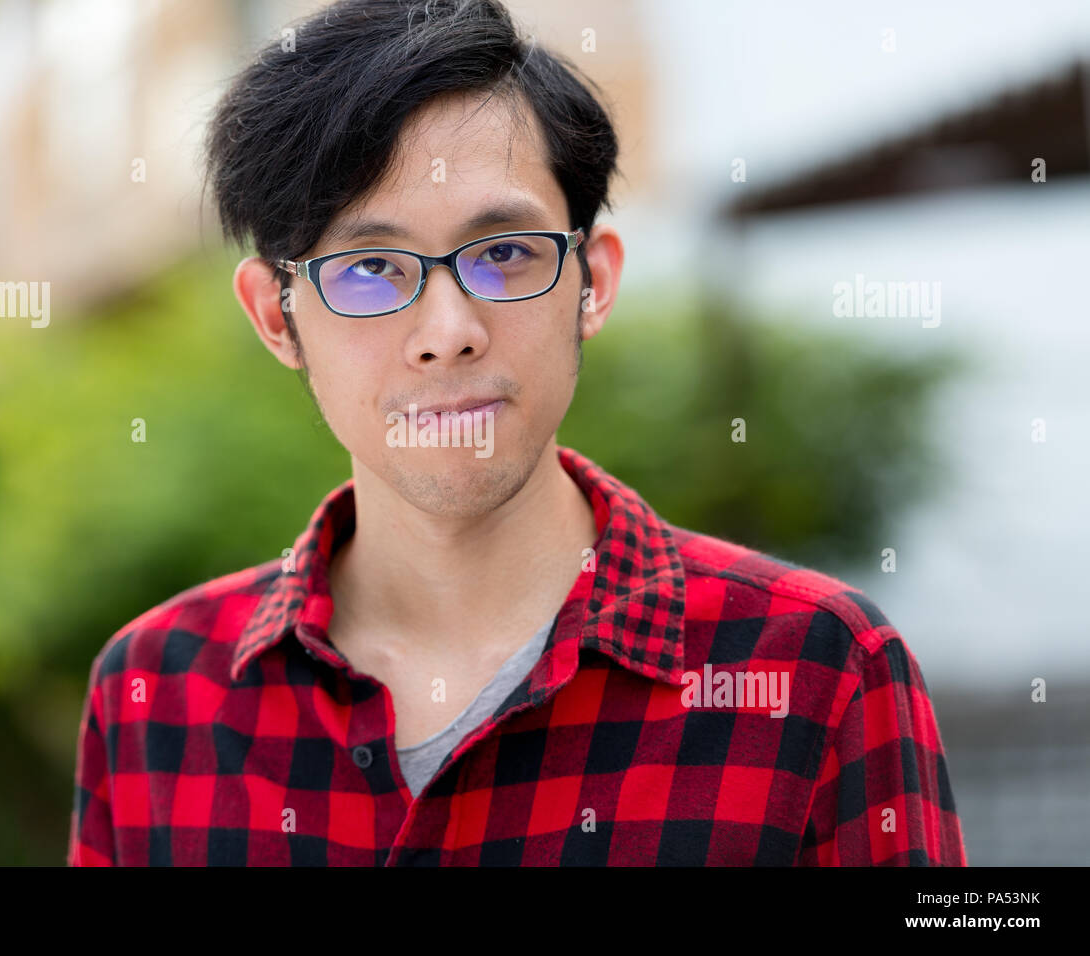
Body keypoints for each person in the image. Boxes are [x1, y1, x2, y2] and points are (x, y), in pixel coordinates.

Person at [68, 0, 965, 866]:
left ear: (594, 282)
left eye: (504, 253)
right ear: (276, 316)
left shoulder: (820, 677)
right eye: (371, 268)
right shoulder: (155, 698)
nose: (447, 328)